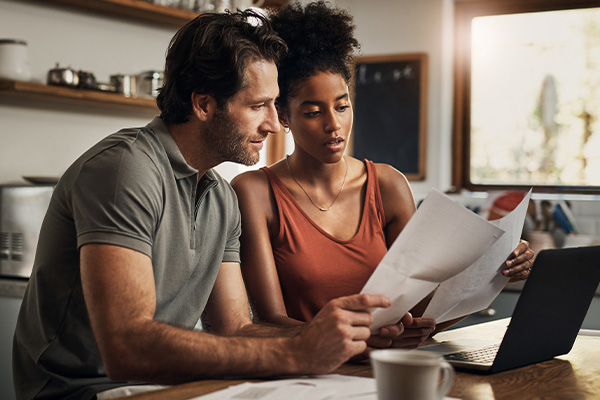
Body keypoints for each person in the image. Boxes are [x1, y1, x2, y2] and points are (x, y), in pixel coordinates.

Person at [12, 10, 398, 400]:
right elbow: (127, 347)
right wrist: (298, 350)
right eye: (257, 106)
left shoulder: (220, 196)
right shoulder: (125, 169)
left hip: (168, 387)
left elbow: (236, 329)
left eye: (274, 104)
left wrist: (345, 336)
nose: (272, 123)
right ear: (203, 104)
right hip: (81, 391)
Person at [231, 1, 534, 351]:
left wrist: (496, 271)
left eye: (342, 106)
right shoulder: (255, 192)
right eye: (313, 112)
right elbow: (269, 321)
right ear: (283, 115)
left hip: (387, 369)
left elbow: (422, 310)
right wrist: (359, 341)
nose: (334, 125)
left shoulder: (387, 185)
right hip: (306, 373)